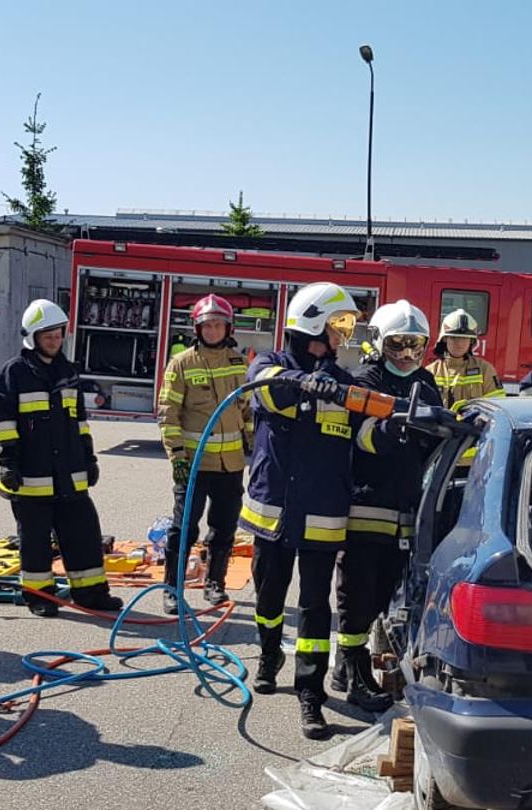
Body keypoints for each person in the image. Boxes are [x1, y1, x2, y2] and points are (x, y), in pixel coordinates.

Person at [242, 281, 363, 740]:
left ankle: (310, 693)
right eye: (339, 325)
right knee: (269, 599)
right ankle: (269, 653)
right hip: (274, 513)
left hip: (323, 513)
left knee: (315, 608)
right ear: (314, 323)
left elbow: (363, 434)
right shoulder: (269, 365)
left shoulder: (344, 381)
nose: (343, 335)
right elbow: (266, 393)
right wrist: (302, 382)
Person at [330, 300, 442, 712]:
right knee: (356, 595)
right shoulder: (366, 380)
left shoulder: (427, 384)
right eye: (398, 344)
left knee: (384, 595)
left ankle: (347, 663)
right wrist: (389, 429)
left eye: (415, 345)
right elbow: (353, 436)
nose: (408, 355)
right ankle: (354, 673)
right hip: (366, 505)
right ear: (379, 343)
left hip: (406, 511)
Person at [0, 300, 121, 617]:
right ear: (33, 337)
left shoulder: (68, 372)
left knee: (84, 533)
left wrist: (89, 458)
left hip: (69, 473)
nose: (54, 340)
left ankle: (90, 594)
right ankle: (39, 597)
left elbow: (79, 421)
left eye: (58, 334)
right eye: (47, 335)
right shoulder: (15, 373)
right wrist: (8, 461)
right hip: (30, 476)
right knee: (35, 542)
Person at [157, 294, 251, 614]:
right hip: (194, 465)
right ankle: (172, 588)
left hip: (231, 465)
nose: (212, 330)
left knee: (224, 528)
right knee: (184, 528)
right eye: (206, 325)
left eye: (217, 324)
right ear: (197, 329)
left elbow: (247, 409)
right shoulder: (181, 363)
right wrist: (177, 459)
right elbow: (168, 414)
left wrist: (255, 445)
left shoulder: (238, 363)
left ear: (228, 327)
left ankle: (215, 583)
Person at [426, 308, 504, 408]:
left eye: (464, 338)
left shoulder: (485, 370)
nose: (459, 343)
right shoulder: (430, 372)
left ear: (471, 341)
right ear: (445, 339)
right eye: (454, 338)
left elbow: (497, 406)